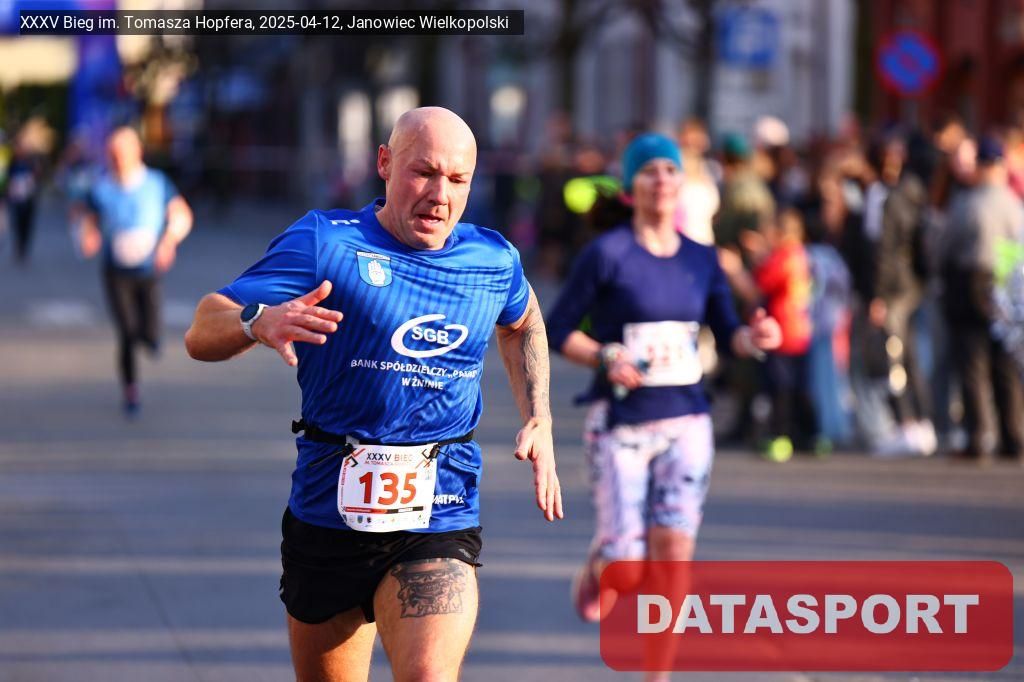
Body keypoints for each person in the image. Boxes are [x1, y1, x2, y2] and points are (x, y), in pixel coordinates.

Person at [184, 107, 563, 682]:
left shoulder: (491, 259)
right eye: (423, 172)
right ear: (384, 163)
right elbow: (202, 328)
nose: (440, 195)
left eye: (457, 179)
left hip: (439, 512)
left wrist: (540, 416)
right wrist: (257, 321)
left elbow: (523, 321)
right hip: (328, 515)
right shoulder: (326, 241)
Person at [545, 133, 780, 635]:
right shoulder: (607, 254)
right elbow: (558, 329)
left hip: (687, 418)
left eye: (671, 170)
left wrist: (754, 337)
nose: (662, 179)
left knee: (674, 554)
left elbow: (728, 332)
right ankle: (603, 561)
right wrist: (606, 355)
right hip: (621, 422)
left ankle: (659, 670)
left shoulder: (701, 258)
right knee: (627, 570)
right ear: (630, 187)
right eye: (650, 170)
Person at [77, 127, 193, 415]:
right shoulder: (102, 187)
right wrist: (89, 235)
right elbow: (89, 217)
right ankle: (131, 391)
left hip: (148, 269)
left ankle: (150, 337)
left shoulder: (156, 183)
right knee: (127, 331)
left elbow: (182, 214)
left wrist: (169, 241)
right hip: (115, 271)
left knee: (150, 334)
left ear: (137, 152)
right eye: (113, 154)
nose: (118, 159)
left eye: (123, 153)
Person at [941, 135, 1024, 464]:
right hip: (1007, 286)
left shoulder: (968, 202)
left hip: (971, 283)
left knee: (973, 363)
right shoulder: (1015, 205)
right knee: (1005, 364)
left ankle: (979, 436)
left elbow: (947, 245)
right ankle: (1013, 435)